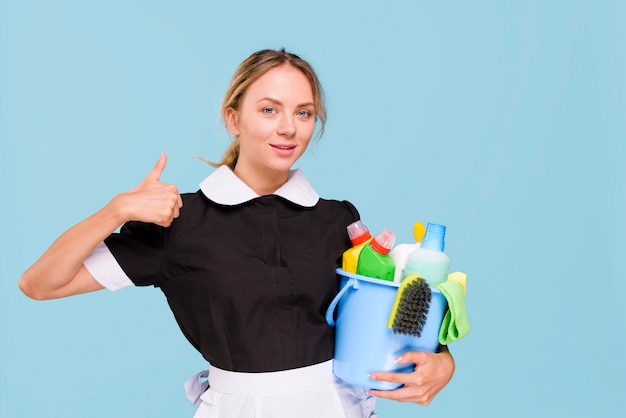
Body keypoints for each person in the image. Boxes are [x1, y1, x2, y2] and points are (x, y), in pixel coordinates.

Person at [19, 48, 455, 417]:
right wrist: (117, 210)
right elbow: (39, 284)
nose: (288, 128)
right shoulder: (179, 222)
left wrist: (444, 361)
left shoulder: (337, 219)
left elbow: (383, 318)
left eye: (303, 113)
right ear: (233, 118)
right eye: (269, 110)